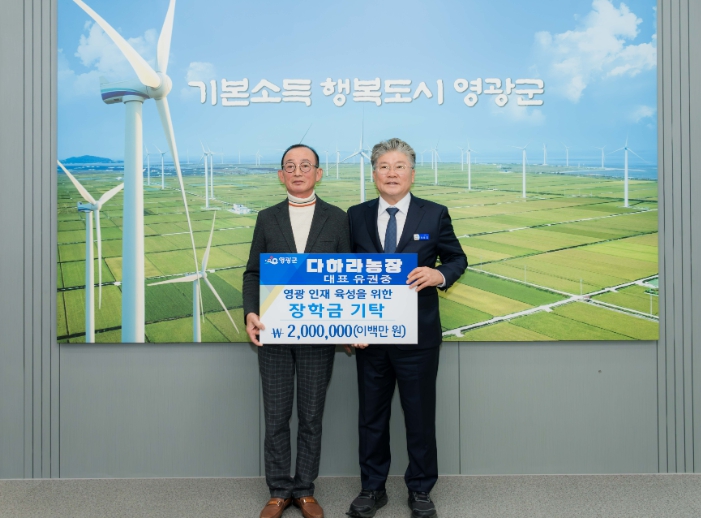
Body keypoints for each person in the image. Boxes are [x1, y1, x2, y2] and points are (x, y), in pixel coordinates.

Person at [345, 138, 467, 518]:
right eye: (384, 166)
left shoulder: (435, 214)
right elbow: (342, 272)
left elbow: (457, 258)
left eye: (399, 166)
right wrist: (349, 325)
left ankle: (421, 490)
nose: (392, 173)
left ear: (412, 174)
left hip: (418, 337)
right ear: (373, 174)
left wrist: (438, 274)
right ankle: (372, 488)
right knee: (372, 418)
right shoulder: (356, 215)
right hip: (369, 336)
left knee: (419, 417)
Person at [243, 144, 351, 518]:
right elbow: (253, 273)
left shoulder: (337, 219)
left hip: (318, 336)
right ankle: (278, 491)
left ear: (318, 173)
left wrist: (348, 324)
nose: (298, 172)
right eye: (290, 166)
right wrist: (250, 312)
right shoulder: (267, 218)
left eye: (306, 165)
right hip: (273, 334)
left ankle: (304, 489)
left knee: (311, 416)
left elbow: (348, 276)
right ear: (281, 175)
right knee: (275, 418)